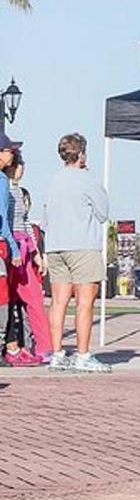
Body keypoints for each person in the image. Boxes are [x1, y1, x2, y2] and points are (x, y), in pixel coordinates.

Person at [44, 133, 109, 373]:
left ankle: (57, 354)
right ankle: (82, 355)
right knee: (84, 302)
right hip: (82, 245)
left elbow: (46, 215)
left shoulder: (54, 180)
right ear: (81, 153)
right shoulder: (87, 179)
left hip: (55, 245)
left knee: (58, 302)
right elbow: (103, 213)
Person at [4, 157, 49, 364]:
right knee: (9, 300)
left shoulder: (18, 192)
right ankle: (12, 345)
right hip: (11, 247)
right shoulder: (5, 188)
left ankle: (43, 346)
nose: (23, 168)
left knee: (33, 298)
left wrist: (36, 252)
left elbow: (26, 223)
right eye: (20, 164)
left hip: (23, 248)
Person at [0, 141, 25, 367]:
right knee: (3, 298)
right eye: (10, 151)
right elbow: (2, 219)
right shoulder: (2, 181)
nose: (13, 155)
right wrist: (14, 249)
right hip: (1, 244)